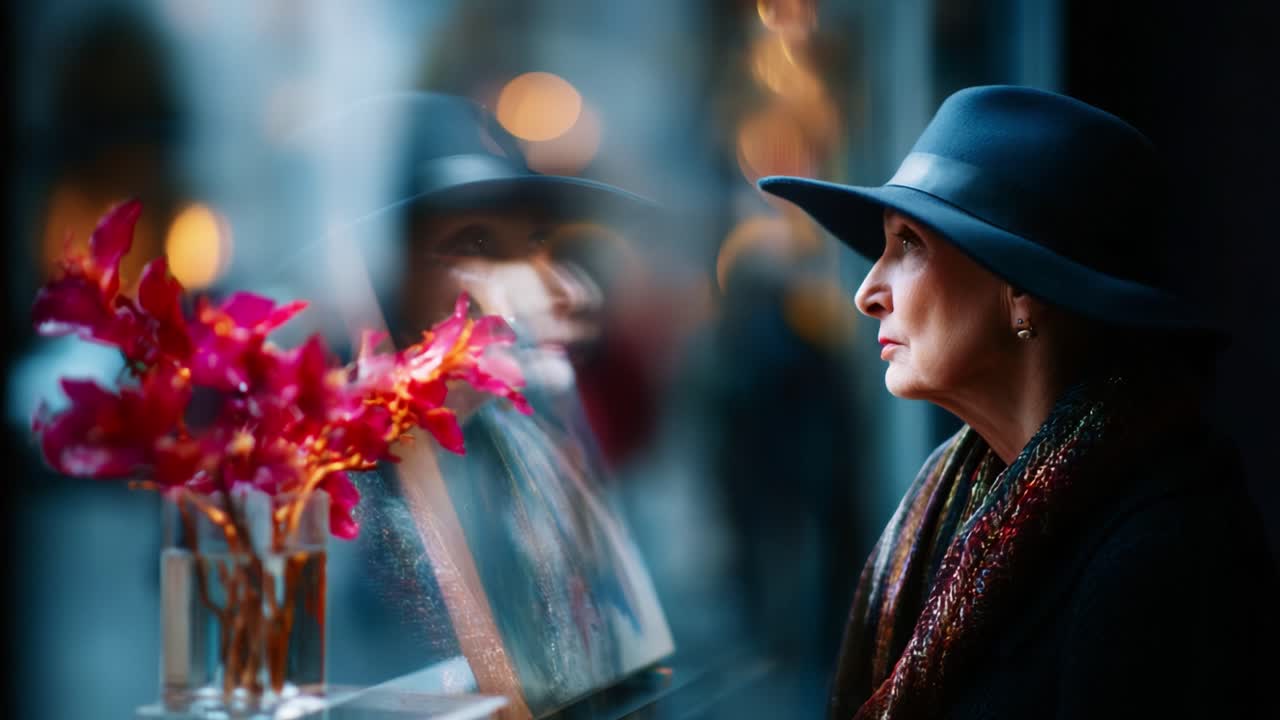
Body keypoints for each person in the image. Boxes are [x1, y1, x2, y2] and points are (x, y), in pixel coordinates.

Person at [757, 85, 1279, 718]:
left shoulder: (1165, 551)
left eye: (910, 244)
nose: (868, 290)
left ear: (1022, 290)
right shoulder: (958, 505)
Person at [289, 93, 674, 718]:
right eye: (474, 245)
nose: (527, 281)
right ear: (398, 266)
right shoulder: (331, 464)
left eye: (534, 244)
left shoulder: (534, 431)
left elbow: (599, 666)